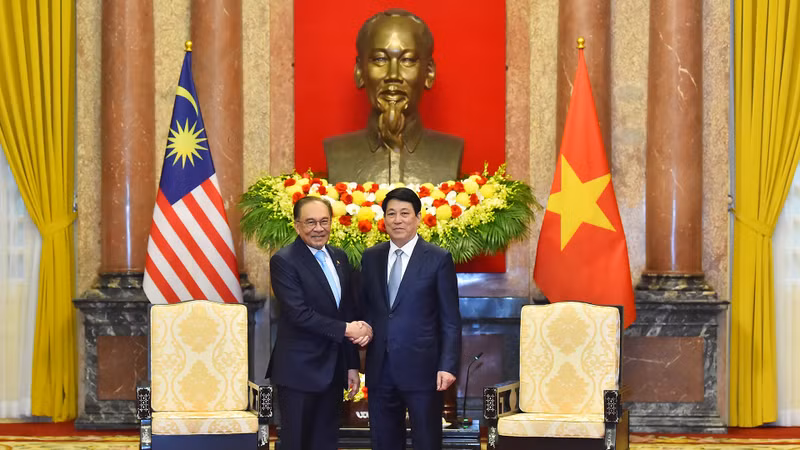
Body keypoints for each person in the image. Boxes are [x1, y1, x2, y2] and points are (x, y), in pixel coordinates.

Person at [266, 196, 373, 450]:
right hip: (299, 371)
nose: (318, 228)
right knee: (297, 442)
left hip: (333, 371)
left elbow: (345, 310)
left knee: (325, 442)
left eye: (324, 221)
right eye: (311, 222)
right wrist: (348, 329)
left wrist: (351, 366)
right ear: (297, 225)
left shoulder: (339, 257)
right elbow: (298, 313)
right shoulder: (284, 260)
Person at [360, 187, 462, 450]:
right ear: (383, 219)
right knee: (383, 442)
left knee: (426, 441)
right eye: (391, 213)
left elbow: (450, 318)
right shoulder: (371, 257)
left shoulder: (438, 259)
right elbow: (367, 310)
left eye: (405, 213)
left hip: (424, 369)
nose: (397, 220)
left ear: (418, 217)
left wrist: (448, 365)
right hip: (380, 369)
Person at [324, 9, 463, 185]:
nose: (393, 75)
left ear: (429, 72)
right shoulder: (337, 152)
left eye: (408, 60)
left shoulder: (450, 152)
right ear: (359, 71)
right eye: (380, 59)